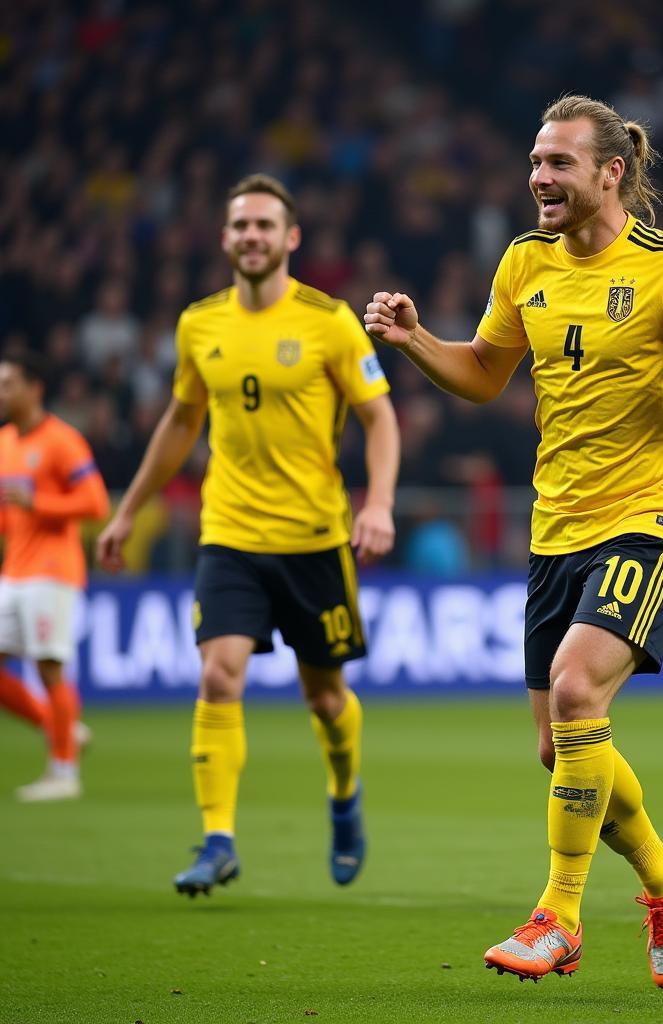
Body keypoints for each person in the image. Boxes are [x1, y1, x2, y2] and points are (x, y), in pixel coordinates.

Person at [365, 96, 663, 988]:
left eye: (560, 164)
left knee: (580, 692)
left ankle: (560, 915)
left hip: (650, 517)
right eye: (536, 161)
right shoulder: (523, 261)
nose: (540, 177)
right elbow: (485, 372)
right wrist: (416, 338)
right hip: (556, 528)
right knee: (561, 746)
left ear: (610, 172)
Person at [97, 174, 400, 896]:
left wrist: (379, 502)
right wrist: (128, 509)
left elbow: (380, 417)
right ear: (225, 238)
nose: (252, 237)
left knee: (325, 699)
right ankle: (217, 838)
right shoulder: (198, 324)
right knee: (217, 673)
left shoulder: (329, 321)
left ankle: (344, 793)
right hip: (229, 532)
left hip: (314, 537)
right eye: (240, 226)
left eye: (265, 225)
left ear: (290, 237)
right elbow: (180, 421)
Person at [0, 350, 109, 801]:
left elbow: (96, 504)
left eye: (8, 384)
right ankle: (60, 727)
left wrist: (38, 504)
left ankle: (64, 773)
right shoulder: (5, 440)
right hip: (15, 569)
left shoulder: (62, 440)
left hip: (52, 570)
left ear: (34, 389)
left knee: (49, 667)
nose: (1, 393)